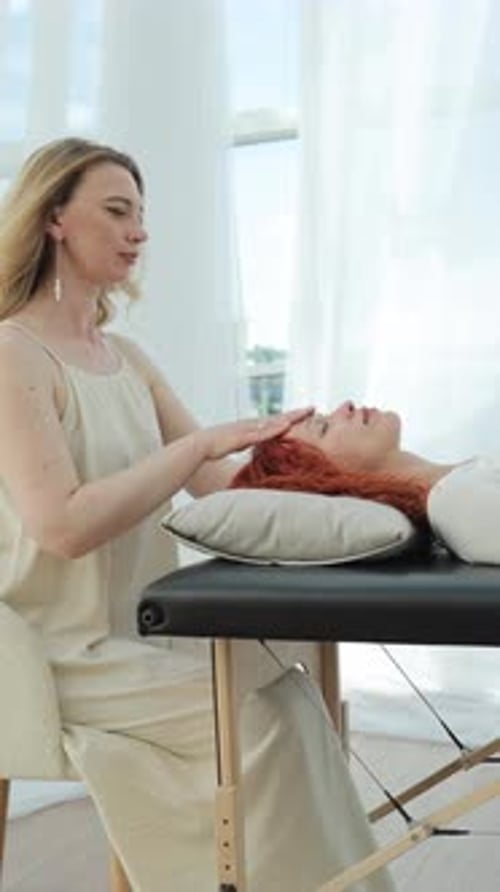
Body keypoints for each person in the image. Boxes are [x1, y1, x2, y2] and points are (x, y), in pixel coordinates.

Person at [0, 139, 395, 892]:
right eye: (117, 211)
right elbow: (64, 526)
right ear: (53, 217)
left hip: (140, 632)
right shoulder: (12, 354)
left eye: (141, 215)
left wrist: (342, 472)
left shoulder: (124, 356)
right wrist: (195, 451)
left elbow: (218, 481)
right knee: (264, 719)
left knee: (293, 693)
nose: (138, 232)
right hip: (57, 654)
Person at [232, 398, 498, 564]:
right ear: (326, 475)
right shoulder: (458, 504)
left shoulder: (460, 485)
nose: (345, 405)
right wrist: (202, 446)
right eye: (324, 427)